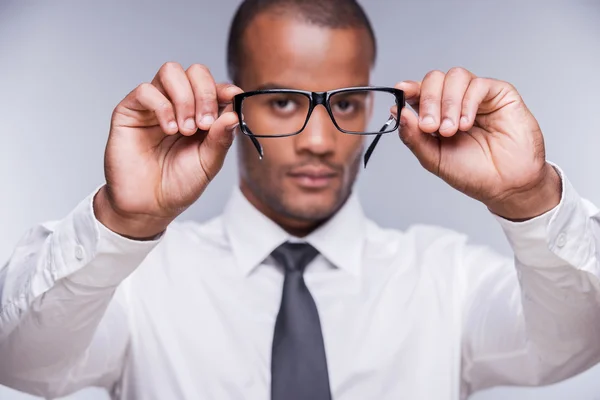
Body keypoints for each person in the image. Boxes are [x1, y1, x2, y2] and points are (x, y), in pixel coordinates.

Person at [1, 0, 600, 399]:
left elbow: (574, 340)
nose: (319, 141)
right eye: (284, 101)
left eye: (344, 103)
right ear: (231, 106)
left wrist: (531, 197)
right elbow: (19, 358)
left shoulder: (447, 278)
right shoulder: (138, 283)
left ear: (372, 106)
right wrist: (120, 220)